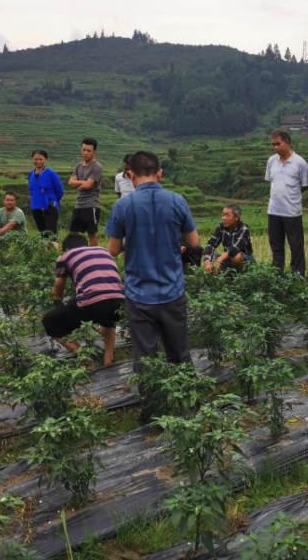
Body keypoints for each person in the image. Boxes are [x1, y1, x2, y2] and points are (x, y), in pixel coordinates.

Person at [105, 151, 199, 422]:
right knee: (179, 351)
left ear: (131, 176)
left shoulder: (123, 206)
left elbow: (112, 250)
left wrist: (130, 238)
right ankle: (189, 404)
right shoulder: (177, 200)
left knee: (145, 356)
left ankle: (151, 411)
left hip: (138, 294)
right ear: (159, 174)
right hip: (172, 291)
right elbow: (193, 242)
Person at [42, 234, 125, 366]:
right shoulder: (103, 251)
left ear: (66, 249)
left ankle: (85, 359)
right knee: (108, 317)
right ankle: (108, 358)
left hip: (91, 303)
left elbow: (57, 293)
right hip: (120, 301)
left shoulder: (65, 256)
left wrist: (60, 310)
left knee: (50, 322)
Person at [266, 129, 308, 277]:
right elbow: (272, 182)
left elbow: (304, 185)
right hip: (273, 211)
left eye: (278, 144)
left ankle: (297, 277)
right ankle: (277, 276)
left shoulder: (300, 163)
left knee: (296, 246)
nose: (275, 148)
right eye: (273, 145)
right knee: (276, 246)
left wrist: (291, 195)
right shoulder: (271, 161)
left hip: (292, 212)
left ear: (287, 142)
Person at [68, 137, 103, 247]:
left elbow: (88, 186)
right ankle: (72, 256)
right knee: (72, 233)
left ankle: (95, 257)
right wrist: (83, 182)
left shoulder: (97, 167)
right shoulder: (79, 165)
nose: (85, 153)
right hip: (79, 205)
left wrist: (78, 183)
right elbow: (70, 182)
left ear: (94, 152)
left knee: (91, 234)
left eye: (89, 151)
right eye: (84, 150)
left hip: (91, 205)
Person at [27, 149, 64, 248]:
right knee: (43, 233)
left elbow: (60, 190)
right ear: (32, 159)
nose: (38, 161)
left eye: (40, 159)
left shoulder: (51, 173)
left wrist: (53, 200)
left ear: (45, 159)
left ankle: (54, 256)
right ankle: (45, 254)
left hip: (49, 205)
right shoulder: (31, 174)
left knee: (51, 233)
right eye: (36, 159)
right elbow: (32, 190)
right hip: (36, 206)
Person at [203, 204, 253, 273]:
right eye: (223, 215)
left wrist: (219, 259)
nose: (224, 218)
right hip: (228, 258)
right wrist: (207, 261)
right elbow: (211, 244)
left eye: (227, 215)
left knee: (236, 257)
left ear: (236, 217)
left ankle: (242, 277)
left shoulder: (244, 228)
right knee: (211, 257)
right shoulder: (221, 227)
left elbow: (235, 248)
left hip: (244, 259)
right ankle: (220, 279)